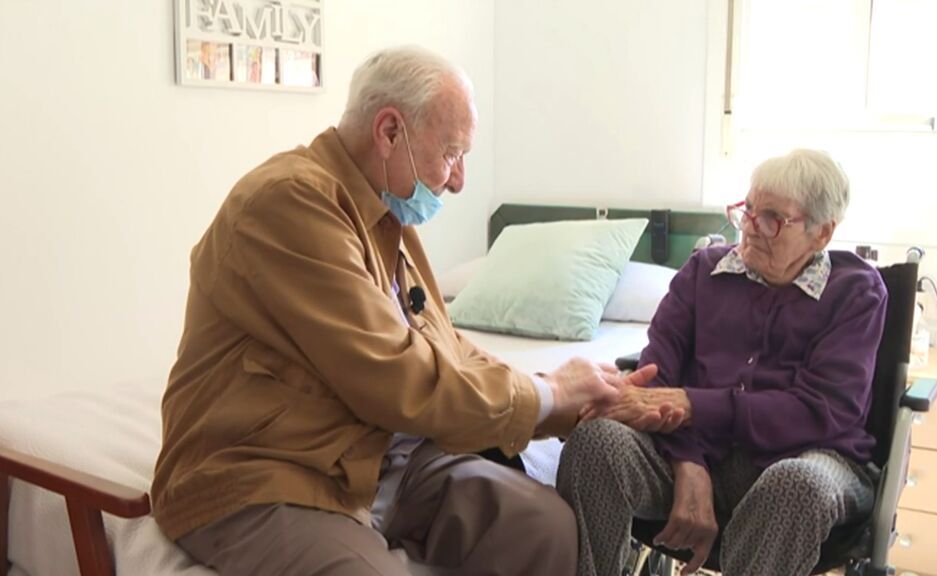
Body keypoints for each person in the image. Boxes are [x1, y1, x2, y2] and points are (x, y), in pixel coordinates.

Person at [152, 46, 659, 576]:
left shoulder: (388, 222)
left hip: (382, 461)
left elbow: (448, 349)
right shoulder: (288, 202)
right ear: (390, 132)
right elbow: (397, 374)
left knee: (545, 525)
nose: (459, 180)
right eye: (452, 153)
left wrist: (566, 400)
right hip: (279, 470)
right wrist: (550, 393)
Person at [558, 149, 887, 576]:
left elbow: (822, 411)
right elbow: (655, 379)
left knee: (794, 487)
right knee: (597, 442)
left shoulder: (856, 292)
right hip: (695, 449)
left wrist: (696, 406)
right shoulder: (703, 271)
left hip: (808, 456)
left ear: (822, 233)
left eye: (773, 219)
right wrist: (688, 461)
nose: (751, 227)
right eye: (747, 210)